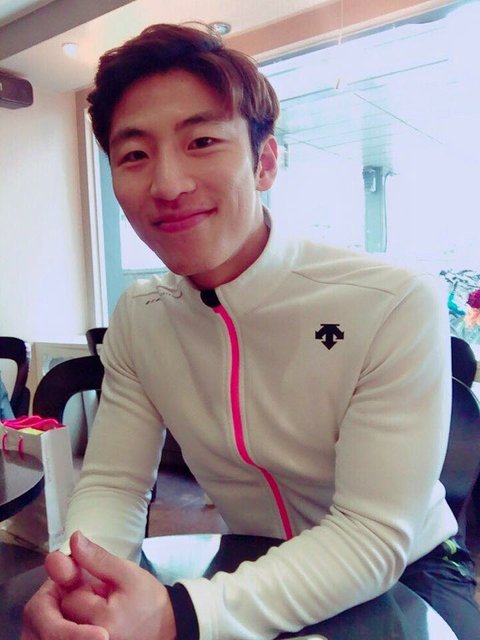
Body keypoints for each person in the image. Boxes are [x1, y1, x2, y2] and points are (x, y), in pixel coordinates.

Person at [22, 23, 480, 640]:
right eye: (134, 155)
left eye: (202, 141)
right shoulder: (140, 316)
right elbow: (114, 482)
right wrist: (82, 580)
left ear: (264, 162)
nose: (168, 184)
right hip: (253, 557)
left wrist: (176, 614)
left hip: (408, 570)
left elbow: (372, 534)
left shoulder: (393, 302)